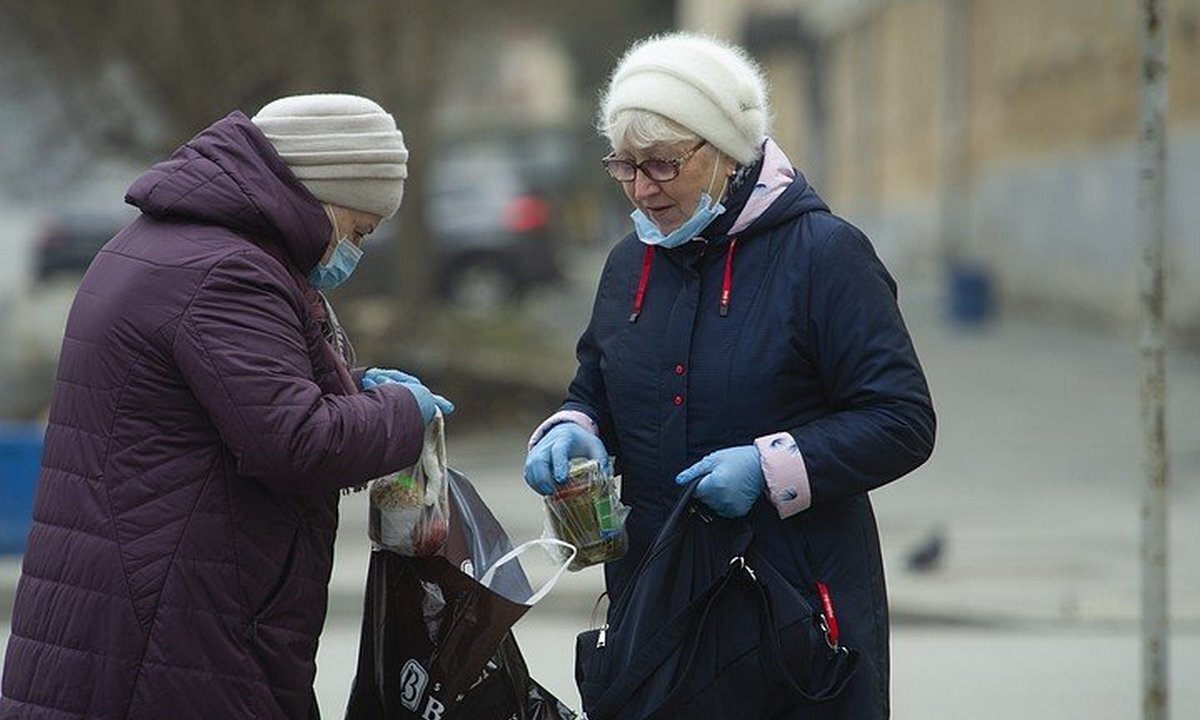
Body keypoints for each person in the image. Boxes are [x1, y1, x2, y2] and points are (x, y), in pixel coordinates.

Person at [0, 93, 452, 719]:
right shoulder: (228, 272)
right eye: (357, 230)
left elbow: (229, 396)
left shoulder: (166, 245)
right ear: (321, 194)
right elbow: (298, 441)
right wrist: (403, 412)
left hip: (127, 618)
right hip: (172, 633)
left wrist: (358, 388)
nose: (353, 251)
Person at [523, 33, 935, 717]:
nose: (641, 189)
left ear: (724, 152)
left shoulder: (825, 255)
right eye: (623, 165)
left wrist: (769, 468)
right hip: (659, 601)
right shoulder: (631, 263)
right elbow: (594, 384)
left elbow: (901, 420)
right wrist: (575, 429)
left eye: (661, 165)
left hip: (795, 612)